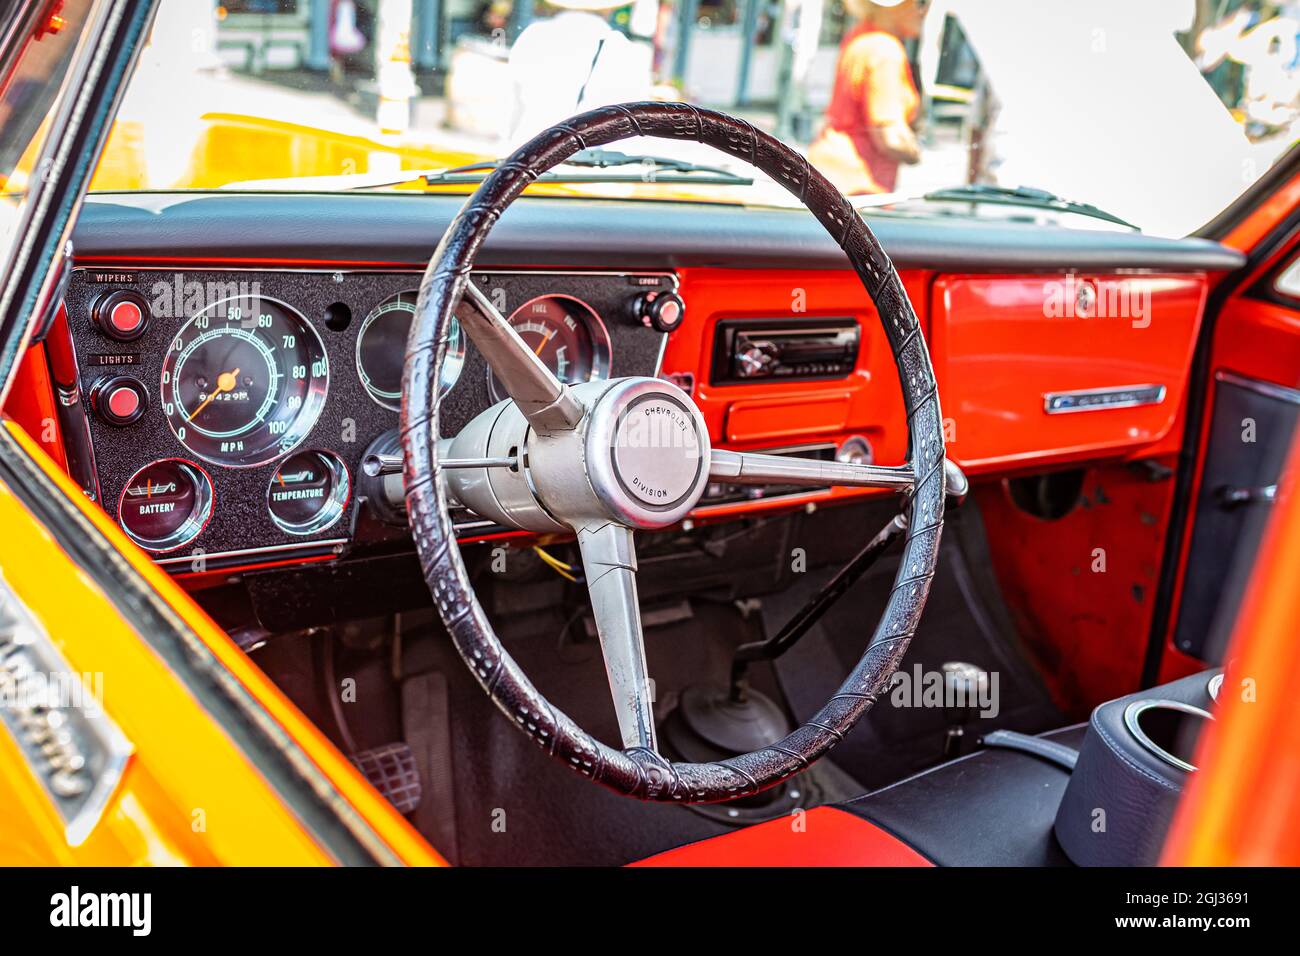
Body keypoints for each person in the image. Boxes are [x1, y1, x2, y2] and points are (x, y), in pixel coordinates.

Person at [807, 0, 924, 195]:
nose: (924, 11)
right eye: (919, 3)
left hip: (831, 174)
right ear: (896, 7)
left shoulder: (860, 36)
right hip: (858, 185)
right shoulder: (885, 50)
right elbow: (891, 139)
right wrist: (916, 153)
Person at [507, 0, 653, 146]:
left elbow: (512, 112)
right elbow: (636, 127)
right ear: (609, 8)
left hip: (526, 153)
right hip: (587, 160)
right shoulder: (627, 51)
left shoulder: (534, 34)